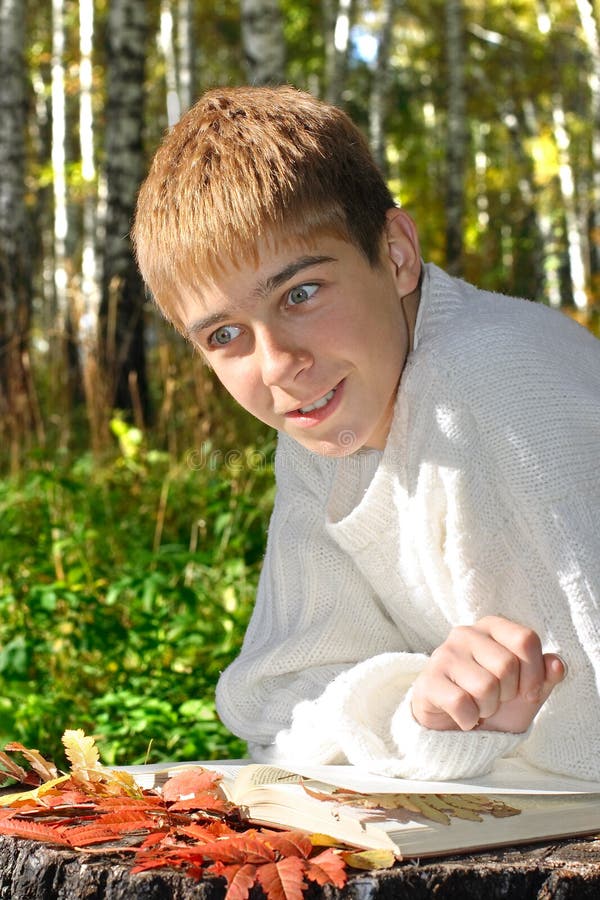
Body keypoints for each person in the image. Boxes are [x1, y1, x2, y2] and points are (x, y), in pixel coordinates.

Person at [133, 84, 600, 782]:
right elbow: (277, 702)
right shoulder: (330, 416)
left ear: (399, 253)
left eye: (301, 294)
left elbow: (580, 745)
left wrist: (443, 733)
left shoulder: (486, 388)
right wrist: (419, 714)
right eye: (225, 335)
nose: (279, 365)